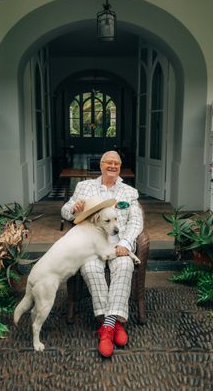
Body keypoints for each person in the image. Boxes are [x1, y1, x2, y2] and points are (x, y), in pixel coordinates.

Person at [61, 150, 143, 357]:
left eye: (116, 163)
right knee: (90, 269)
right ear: (101, 165)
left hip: (118, 244)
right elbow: (65, 211)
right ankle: (114, 324)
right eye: (109, 162)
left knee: (125, 266)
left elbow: (136, 221)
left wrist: (125, 242)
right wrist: (73, 207)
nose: (112, 166)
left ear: (120, 166)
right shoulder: (84, 187)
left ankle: (106, 328)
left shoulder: (129, 192)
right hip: (91, 244)